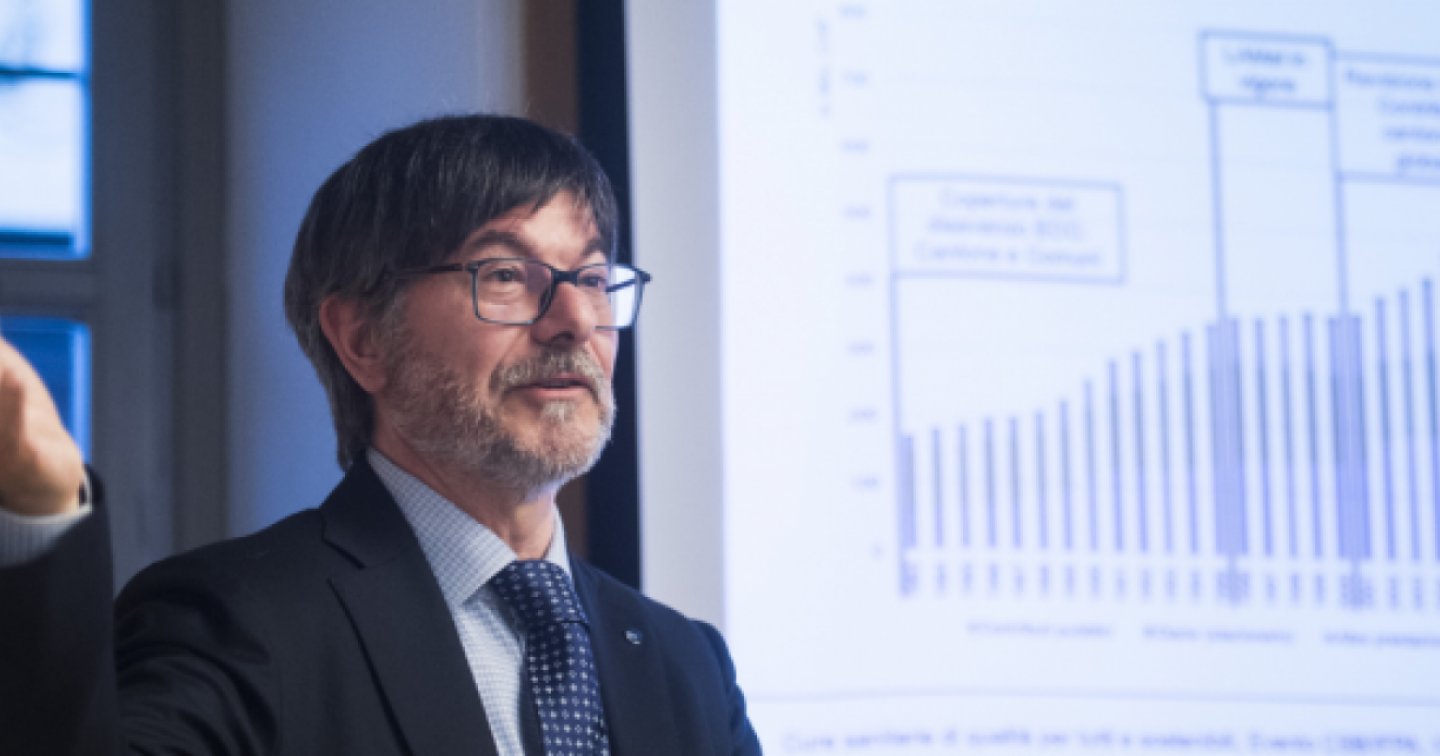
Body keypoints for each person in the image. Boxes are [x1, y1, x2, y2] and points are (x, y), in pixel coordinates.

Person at [0, 114, 762, 755]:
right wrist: (36, 511)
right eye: (505, 275)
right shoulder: (231, 623)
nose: (573, 322)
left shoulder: (686, 665)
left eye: (592, 280)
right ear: (363, 338)